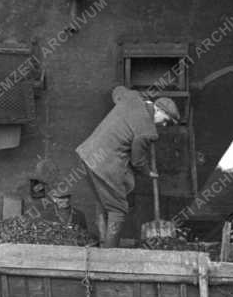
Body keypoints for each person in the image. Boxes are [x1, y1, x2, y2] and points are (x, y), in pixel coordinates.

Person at [76, 87, 179, 247]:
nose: (164, 125)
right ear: (158, 110)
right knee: (118, 209)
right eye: (165, 120)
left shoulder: (132, 97)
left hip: (87, 155)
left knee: (104, 201)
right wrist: (149, 173)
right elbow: (137, 161)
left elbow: (117, 91)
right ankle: (110, 253)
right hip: (105, 166)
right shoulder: (148, 132)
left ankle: (103, 243)